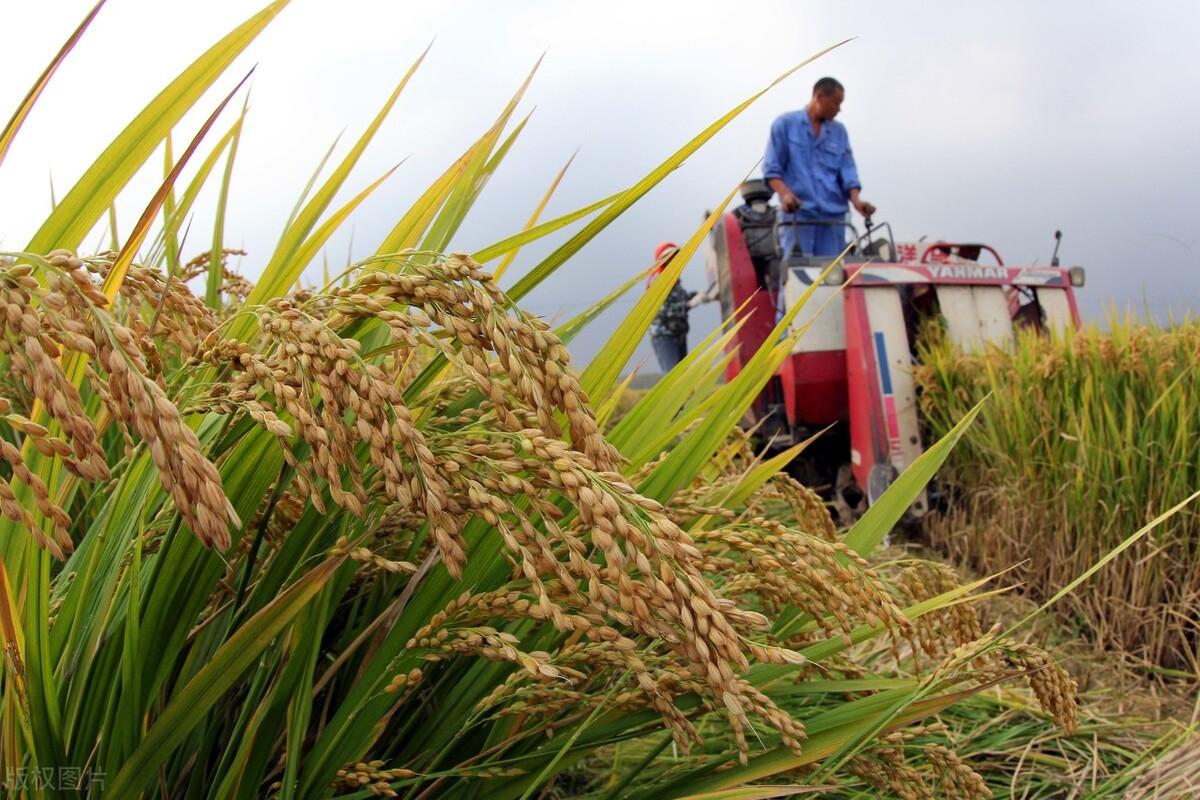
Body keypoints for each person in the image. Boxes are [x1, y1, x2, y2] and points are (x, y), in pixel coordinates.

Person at [762, 76, 876, 259]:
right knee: (797, 275)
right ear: (819, 96)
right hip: (799, 215)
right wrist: (785, 195)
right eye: (836, 103)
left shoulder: (839, 132)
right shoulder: (785, 124)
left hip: (833, 218)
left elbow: (848, 170)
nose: (839, 109)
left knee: (835, 275)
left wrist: (856, 200)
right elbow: (772, 169)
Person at [647, 242, 715, 373]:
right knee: (672, 376)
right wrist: (689, 304)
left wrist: (702, 294)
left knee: (684, 375)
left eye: (675, 257)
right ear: (662, 261)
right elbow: (666, 310)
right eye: (669, 258)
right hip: (664, 336)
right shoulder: (658, 283)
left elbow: (683, 297)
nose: (673, 261)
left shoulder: (676, 283)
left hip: (679, 335)